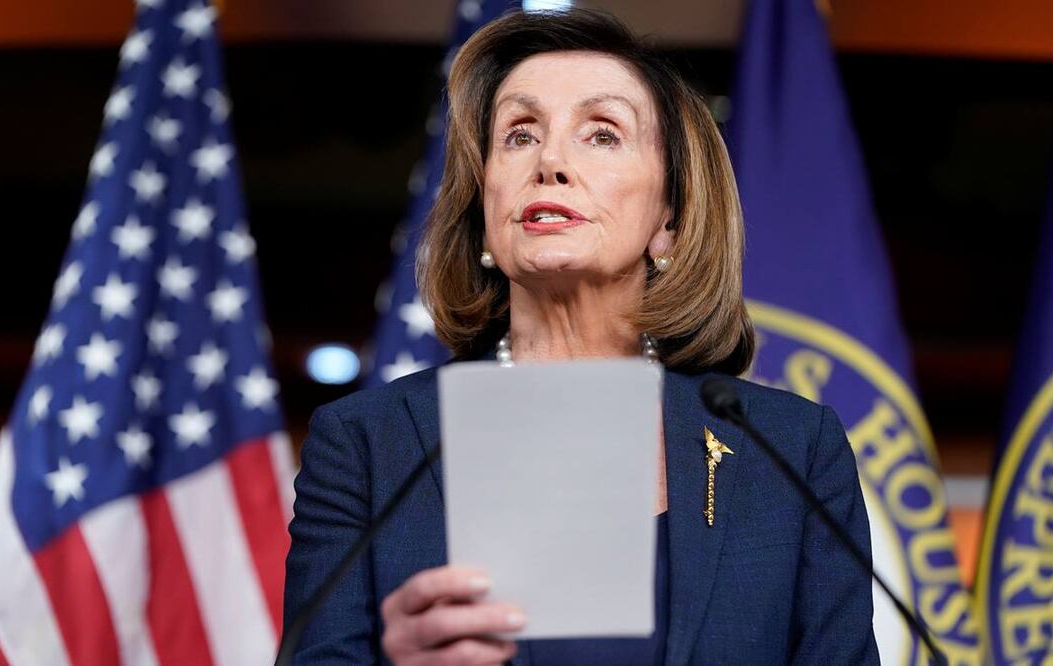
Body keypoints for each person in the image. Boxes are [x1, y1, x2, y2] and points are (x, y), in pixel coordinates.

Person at [284, 8, 878, 665]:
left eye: (600, 133)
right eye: (517, 134)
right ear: (484, 218)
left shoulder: (791, 451)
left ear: (669, 221)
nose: (549, 161)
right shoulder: (369, 443)